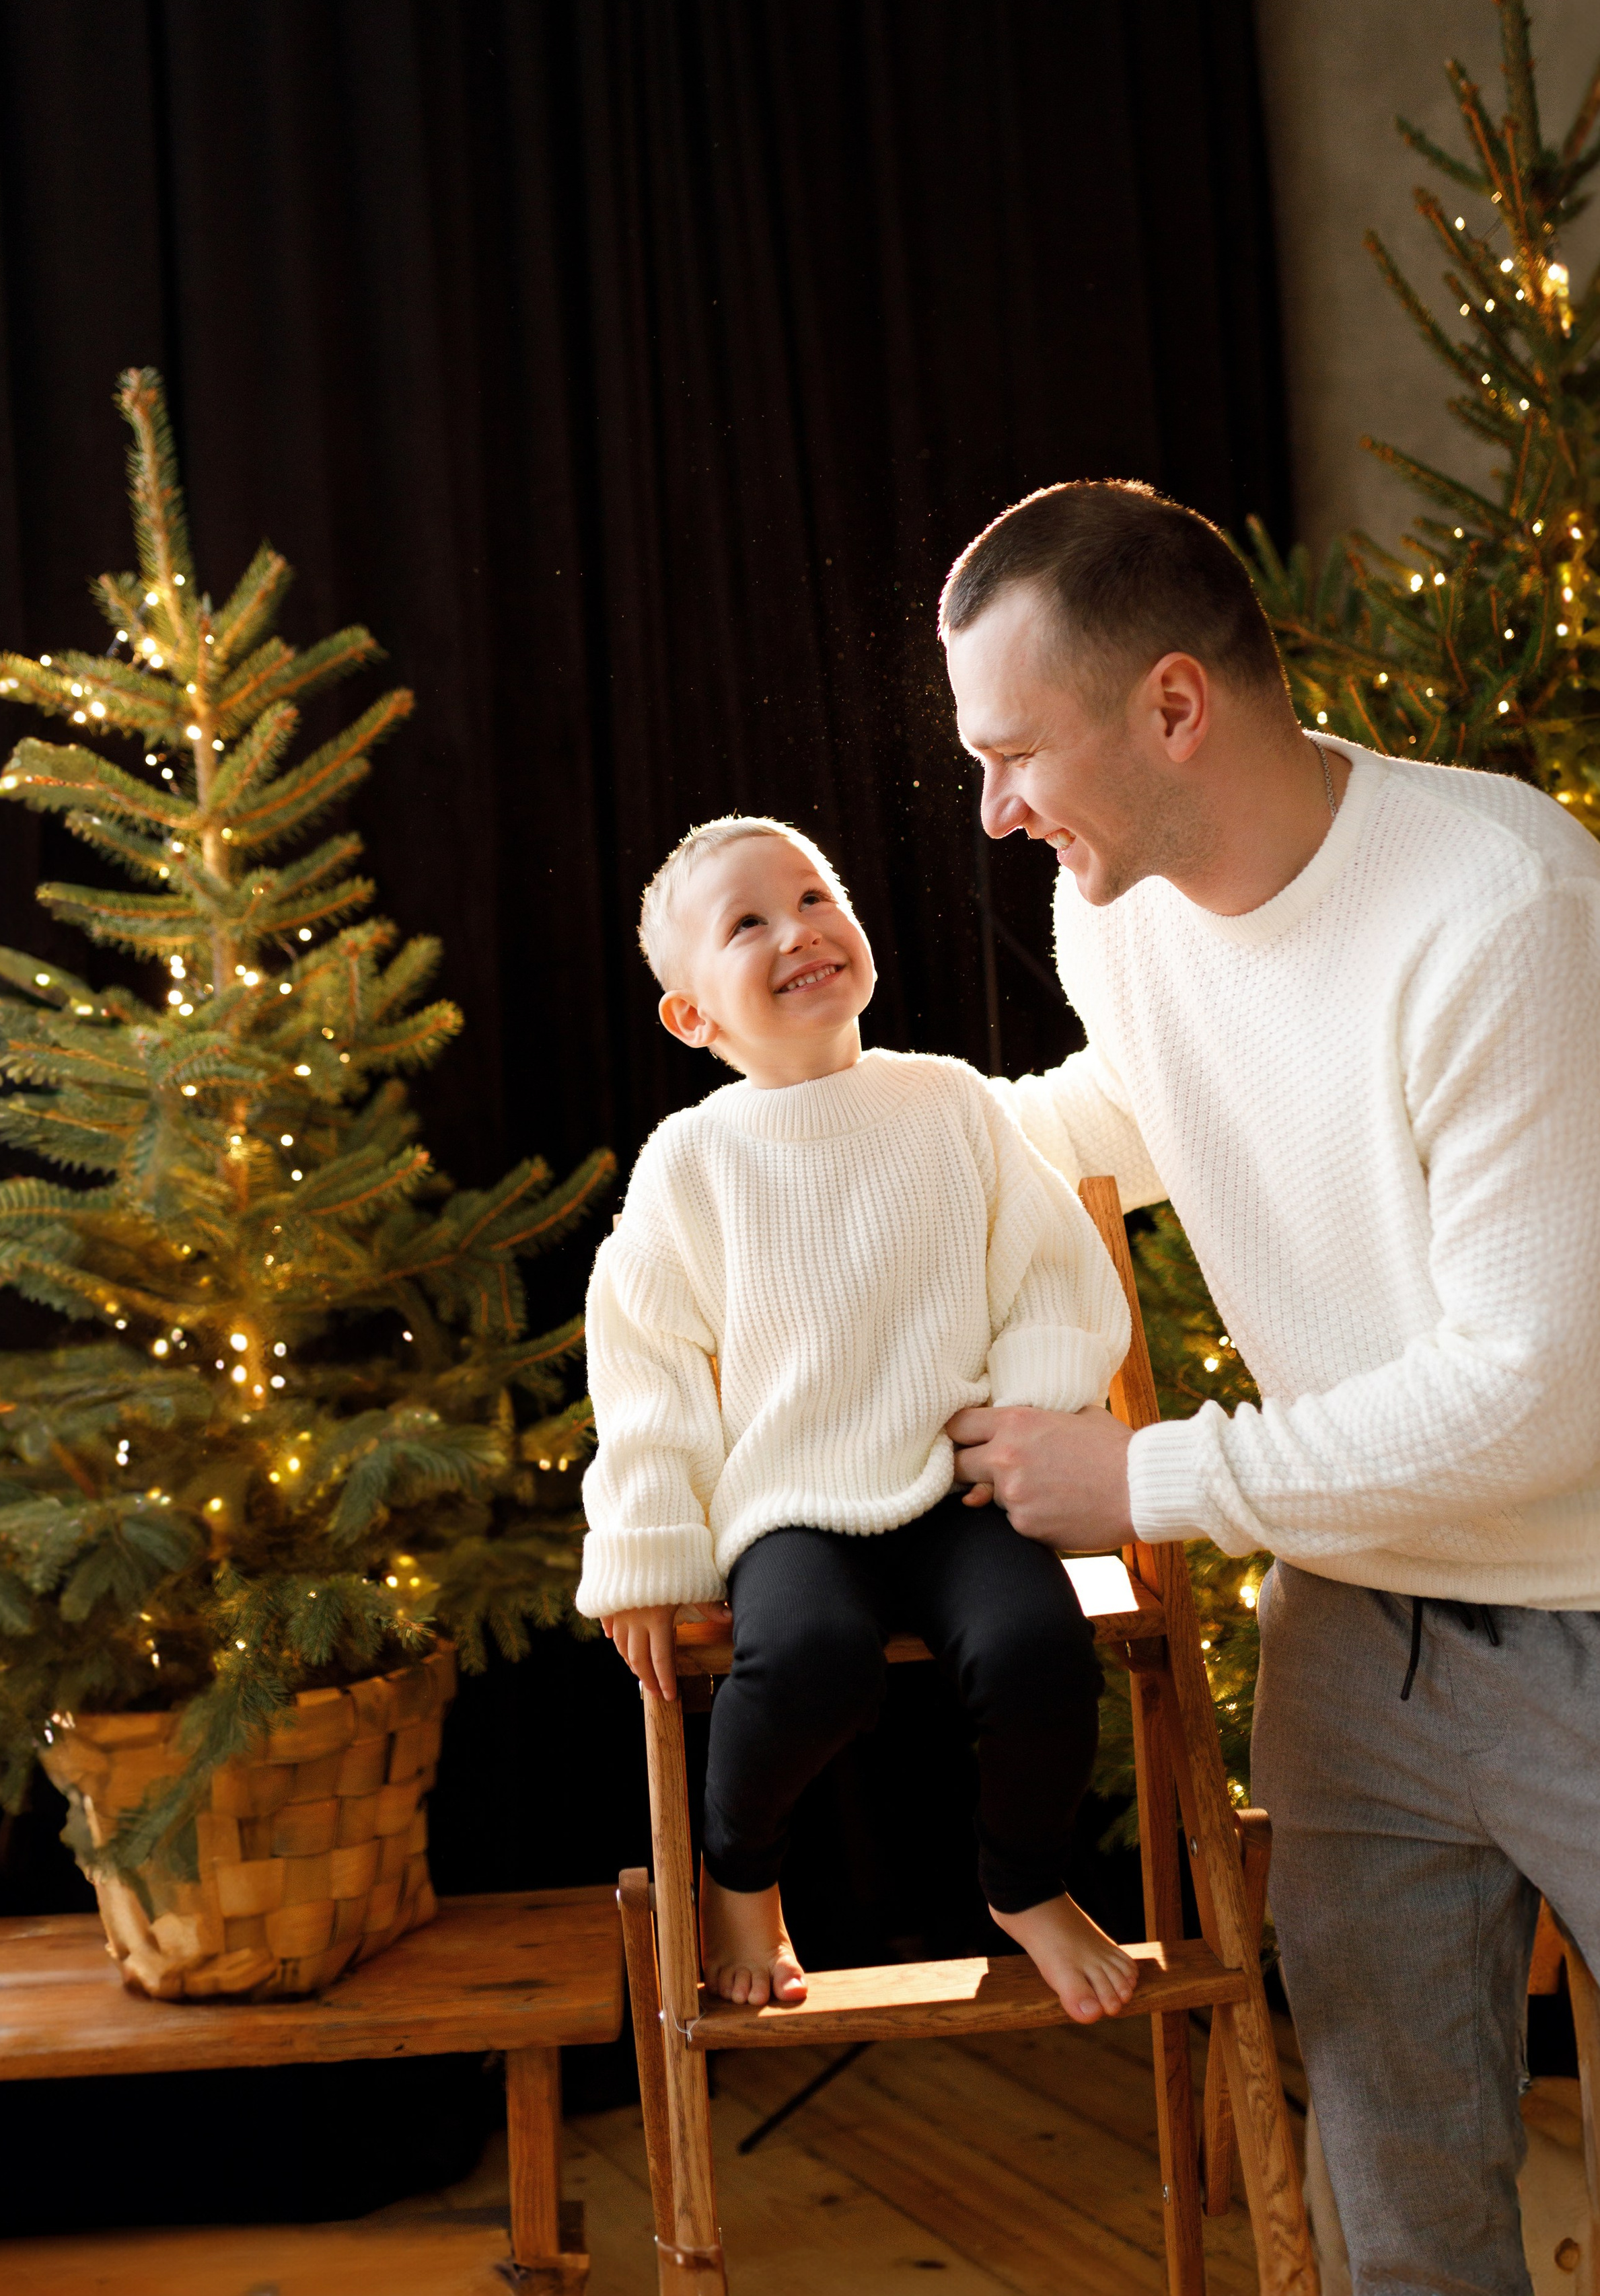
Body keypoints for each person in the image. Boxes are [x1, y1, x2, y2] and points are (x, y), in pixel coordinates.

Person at [939, 476, 1600, 2296]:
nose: (994, 808)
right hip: (1354, 1640)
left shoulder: (1503, 903)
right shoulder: (1122, 910)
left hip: (1589, 1612)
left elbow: (1535, 1388)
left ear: (1173, 707)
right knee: (1397, 2196)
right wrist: (875, 1146)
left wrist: (1143, 1480)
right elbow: (1159, 1103)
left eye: (1015, 752)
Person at [576, 813, 1138, 2019]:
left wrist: (1029, 1414)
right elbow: (647, 1367)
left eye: (816, 896)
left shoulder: (949, 1104)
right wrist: (649, 1555)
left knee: (1039, 1646)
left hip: (955, 1485)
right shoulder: (691, 1162)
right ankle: (740, 1872)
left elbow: (1050, 1269)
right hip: (793, 1505)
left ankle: (1025, 1883)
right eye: (749, 923)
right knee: (810, 1660)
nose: (800, 931)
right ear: (694, 1016)